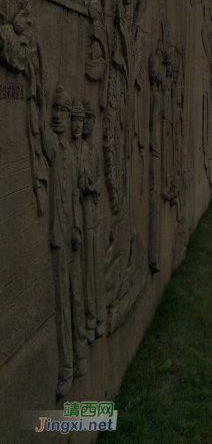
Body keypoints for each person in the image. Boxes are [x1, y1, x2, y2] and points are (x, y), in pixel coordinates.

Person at [39, 87, 88, 399]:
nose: (57, 117)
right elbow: (40, 130)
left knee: (73, 298)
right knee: (64, 302)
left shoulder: (69, 153)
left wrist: (78, 228)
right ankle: (67, 367)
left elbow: (74, 195)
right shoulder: (56, 148)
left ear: (71, 118)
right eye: (54, 110)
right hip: (59, 235)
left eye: (63, 112)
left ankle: (77, 359)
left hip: (70, 235)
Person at [79, 99, 106, 343]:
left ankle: (99, 315)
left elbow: (99, 180)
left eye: (90, 119)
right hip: (83, 218)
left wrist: (93, 186)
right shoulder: (77, 150)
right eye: (83, 118)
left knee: (96, 266)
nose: (86, 123)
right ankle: (90, 319)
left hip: (95, 215)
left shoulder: (95, 150)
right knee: (87, 269)